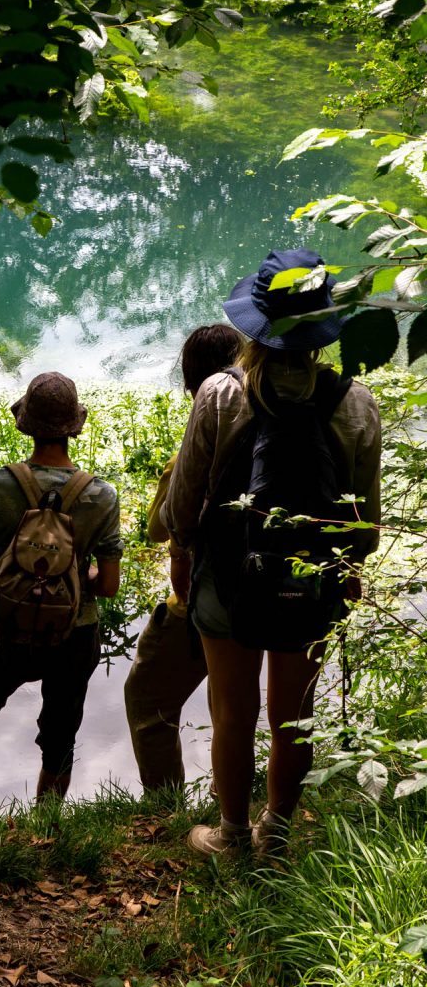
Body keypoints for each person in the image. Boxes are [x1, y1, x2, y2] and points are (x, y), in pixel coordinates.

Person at [161, 249, 381, 856]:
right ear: (322, 328)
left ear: (254, 324)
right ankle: (275, 834)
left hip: (229, 577)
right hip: (314, 579)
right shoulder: (356, 402)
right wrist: (349, 569)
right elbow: (363, 519)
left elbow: (184, 503)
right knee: (293, 718)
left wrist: (182, 556)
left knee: (233, 712)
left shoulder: (219, 394)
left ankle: (230, 832)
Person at [0, 371, 123, 803]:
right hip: (74, 634)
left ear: (26, 424)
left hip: (10, 628)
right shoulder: (102, 495)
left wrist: (10, 570)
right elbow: (109, 586)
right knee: (61, 736)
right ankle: (45, 826)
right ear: (73, 428)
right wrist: (72, 576)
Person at [124, 324, 243, 790]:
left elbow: (160, 528)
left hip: (200, 601)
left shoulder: (190, 452)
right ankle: (230, 793)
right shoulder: (272, 428)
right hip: (264, 590)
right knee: (231, 699)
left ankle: (164, 803)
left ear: (192, 382)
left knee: (146, 696)